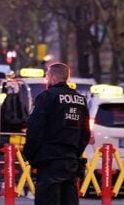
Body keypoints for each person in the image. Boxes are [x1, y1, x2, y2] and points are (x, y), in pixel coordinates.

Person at [22, 63, 90, 205]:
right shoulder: (80, 100)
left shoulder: (46, 97)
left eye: (47, 76)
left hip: (49, 160)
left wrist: (30, 154)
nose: (46, 79)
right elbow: (85, 133)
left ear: (52, 77)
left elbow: (35, 129)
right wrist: (74, 153)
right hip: (70, 161)